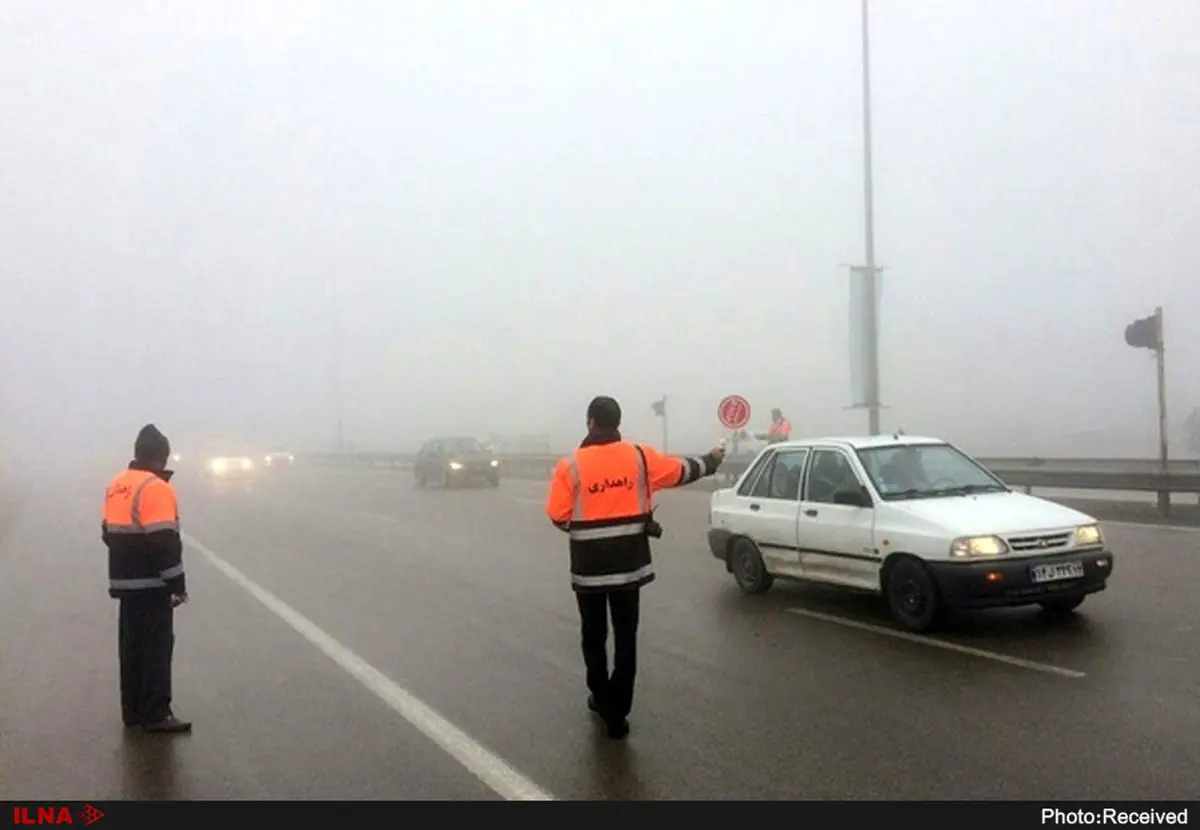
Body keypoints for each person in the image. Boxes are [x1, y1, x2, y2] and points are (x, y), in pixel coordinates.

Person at [546, 396, 725, 739]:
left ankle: (601, 698)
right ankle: (619, 712)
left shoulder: (570, 465)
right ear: (618, 422)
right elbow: (682, 472)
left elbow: (557, 514)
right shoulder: (640, 457)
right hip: (629, 566)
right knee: (626, 638)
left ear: (590, 422)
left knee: (594, 636)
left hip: (590, 569)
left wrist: (587, 533)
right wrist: (713, 461)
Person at [102, 424, 191, 733]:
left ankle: (133, 711)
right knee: (156, 647)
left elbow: (108, 532)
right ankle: (156, 714)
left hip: (124, 583)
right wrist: (177, 585)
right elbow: (163, 542)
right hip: (152, 585)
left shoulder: (118, 484)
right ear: (160, 457)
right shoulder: (155, 487)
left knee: (132, 648)